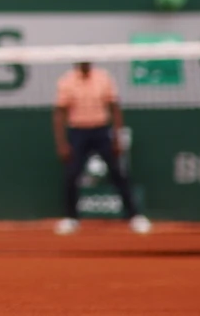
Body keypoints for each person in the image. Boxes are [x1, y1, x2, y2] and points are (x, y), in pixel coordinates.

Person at [53, 61, 151, 236]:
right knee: (71, 174)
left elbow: (114, 108)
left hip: (101, 131)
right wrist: (62, 143)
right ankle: (70, 218)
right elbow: (60, 113)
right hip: (78, 132)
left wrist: (117, 137)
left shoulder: (103, 78)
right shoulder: (67, 81)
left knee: (118, 172)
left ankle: (134, 216)